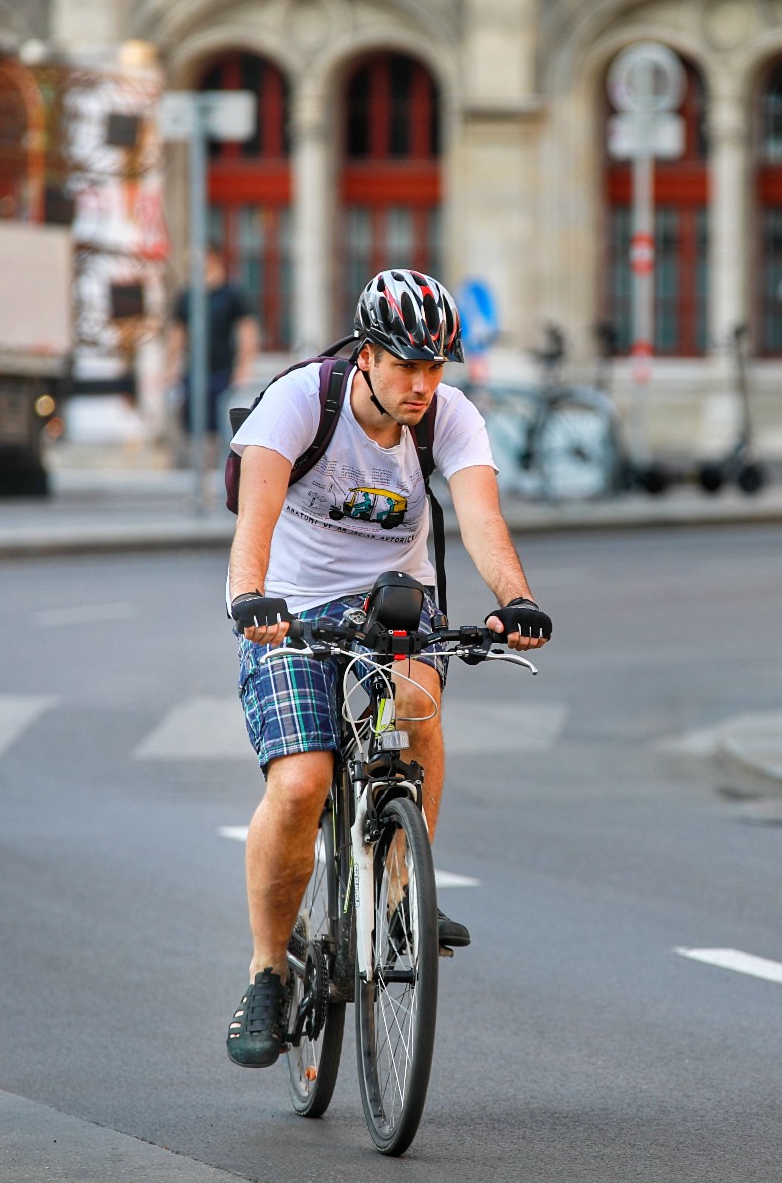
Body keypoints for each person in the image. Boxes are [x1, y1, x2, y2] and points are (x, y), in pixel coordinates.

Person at [222, 268, 553, 1069]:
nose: (422, 384)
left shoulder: (448, 418)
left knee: (416, 701)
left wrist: (516, 598)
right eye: (407, 364)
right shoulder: (301, 401)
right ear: (366, 356)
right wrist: (251, 599)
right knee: (301, 782)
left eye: (436, 368)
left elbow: (481, 516)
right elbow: (255, 520)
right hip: (289, 609)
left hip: (392, 601)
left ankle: (401, 894)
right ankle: (268, 971)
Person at [167, 252, 260, 437]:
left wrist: (244, 367)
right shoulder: (188, 296)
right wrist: (171, 368)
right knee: (192, 424)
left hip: (223, 370)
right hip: (193, 370)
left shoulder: (232, 295)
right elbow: (177, 334)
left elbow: (247, 332)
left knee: (221, 424)